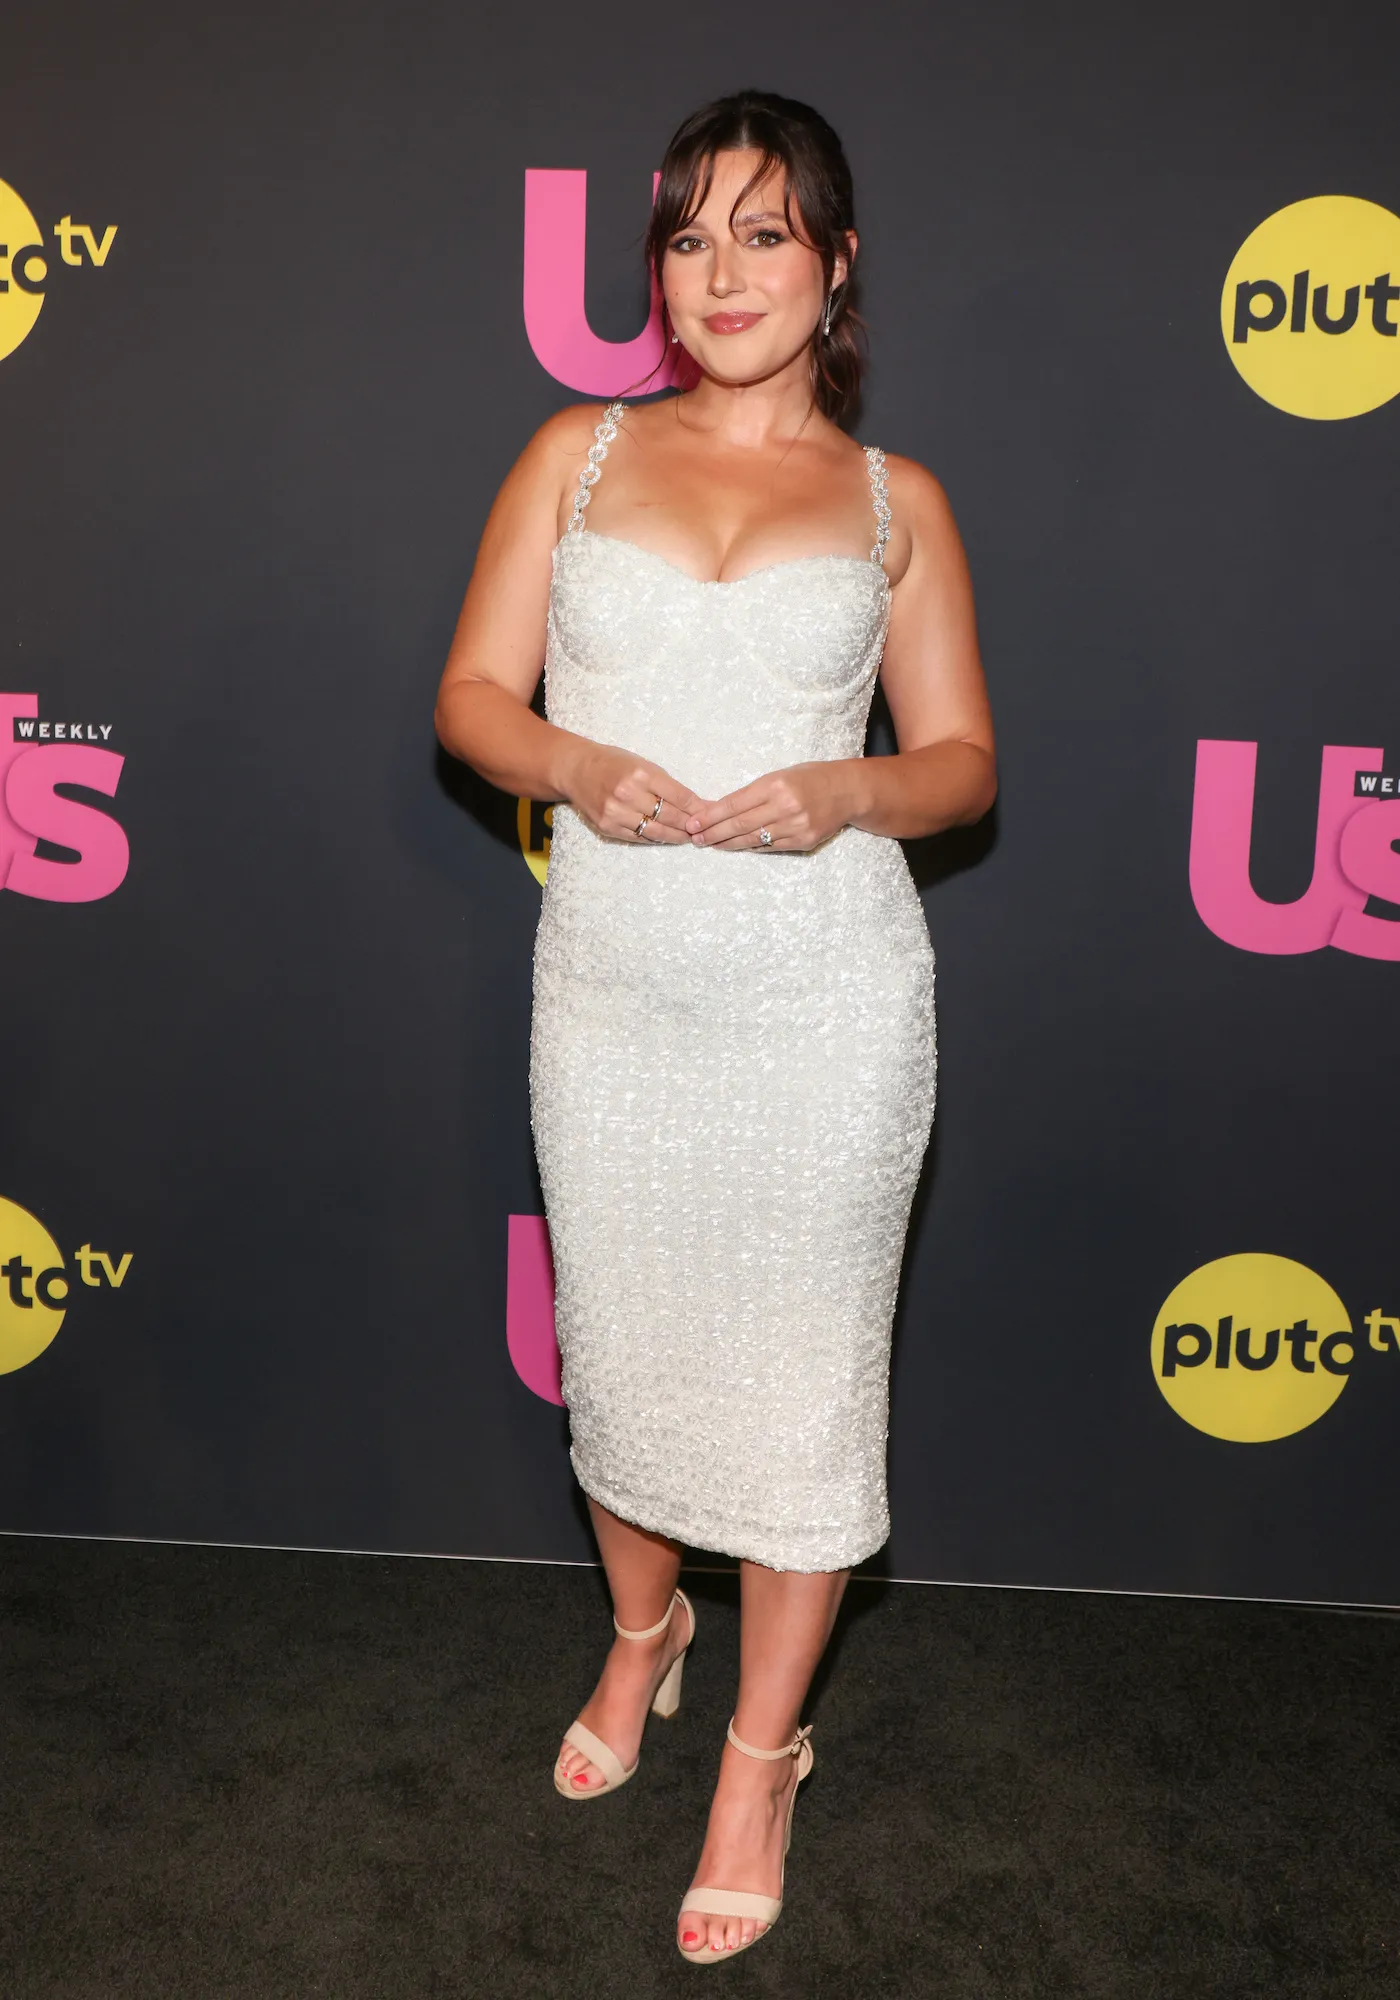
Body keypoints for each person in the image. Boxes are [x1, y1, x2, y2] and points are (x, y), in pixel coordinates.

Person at [435, 88, 995, 1965]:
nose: (725, 272)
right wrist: (581, 762)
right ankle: (642, 1636)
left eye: (768, 233)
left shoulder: (895, 501)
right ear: (656, 268)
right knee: (629, 1353)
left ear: (835, 263)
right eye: (690, 235)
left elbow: (965, 767)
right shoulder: (573, 461)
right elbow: (471, 703)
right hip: (619, 995)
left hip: (827, 1002)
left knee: (811, 1387)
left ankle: (761, 1756)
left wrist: (849, 793)